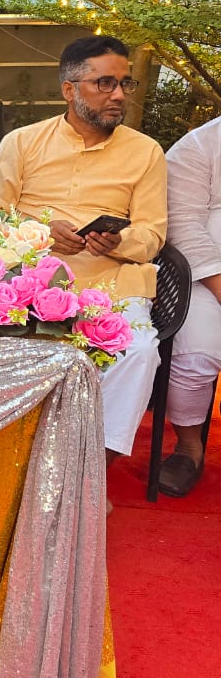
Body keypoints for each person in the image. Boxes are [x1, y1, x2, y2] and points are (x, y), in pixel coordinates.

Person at [0, 35, 166, 461]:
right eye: (104, 83)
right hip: (30, 281)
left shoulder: (146, 152)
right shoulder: (23, 143)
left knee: (140, 351)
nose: (118, 94)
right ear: (70, 89)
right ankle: (5, 462)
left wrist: (119, 241)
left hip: (113, 282)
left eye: (124, 83)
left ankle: (94, 468)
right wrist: (42, 231)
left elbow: (153, 234)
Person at [155, 116, 221, 495]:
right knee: (196, 355)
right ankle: (189, 448)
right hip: (203, 276)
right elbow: (182, 224)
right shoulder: (198, 146)